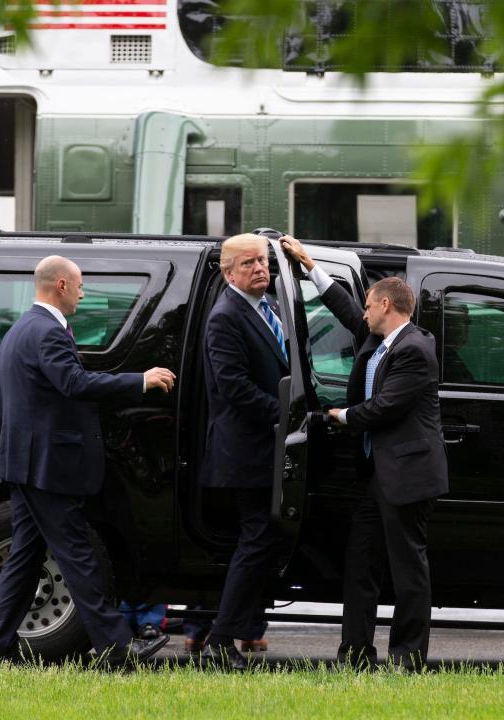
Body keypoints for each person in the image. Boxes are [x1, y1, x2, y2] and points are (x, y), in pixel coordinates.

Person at [0, 255, 176, 667]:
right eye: (81, 286)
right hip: (46, 468)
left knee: (24, 559)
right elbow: (73, 383)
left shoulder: (20, 330)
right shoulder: (47, 332)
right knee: (78, 555)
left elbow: (6, 401)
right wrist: (140, 380)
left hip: (25, 462)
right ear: (62, 286)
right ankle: (118, 649)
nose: (84, 294)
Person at [281, 236, 448, 671]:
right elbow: (344, 308)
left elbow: (386, 406)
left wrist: (340, 416)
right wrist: (311, 266)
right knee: (361, 566)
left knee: (408, 570)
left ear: (388, 306)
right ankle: (354, 655)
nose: (365, 313)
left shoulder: (414, 349)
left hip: (407, 476)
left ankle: (407, 658)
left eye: (371, 307)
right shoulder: (380, 339)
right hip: (376, 476)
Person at [201, 233, 288, 670]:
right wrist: (286, 415)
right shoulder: (226, 316)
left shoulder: (267, 306)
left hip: (266, 447)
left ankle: (244, 629)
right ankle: (220, 640)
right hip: (246, 451)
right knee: (256, 540)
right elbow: (233, 387)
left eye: (264, 260)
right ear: (228, 271)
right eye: (250, 263)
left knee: (262, 540)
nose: (260, 268)